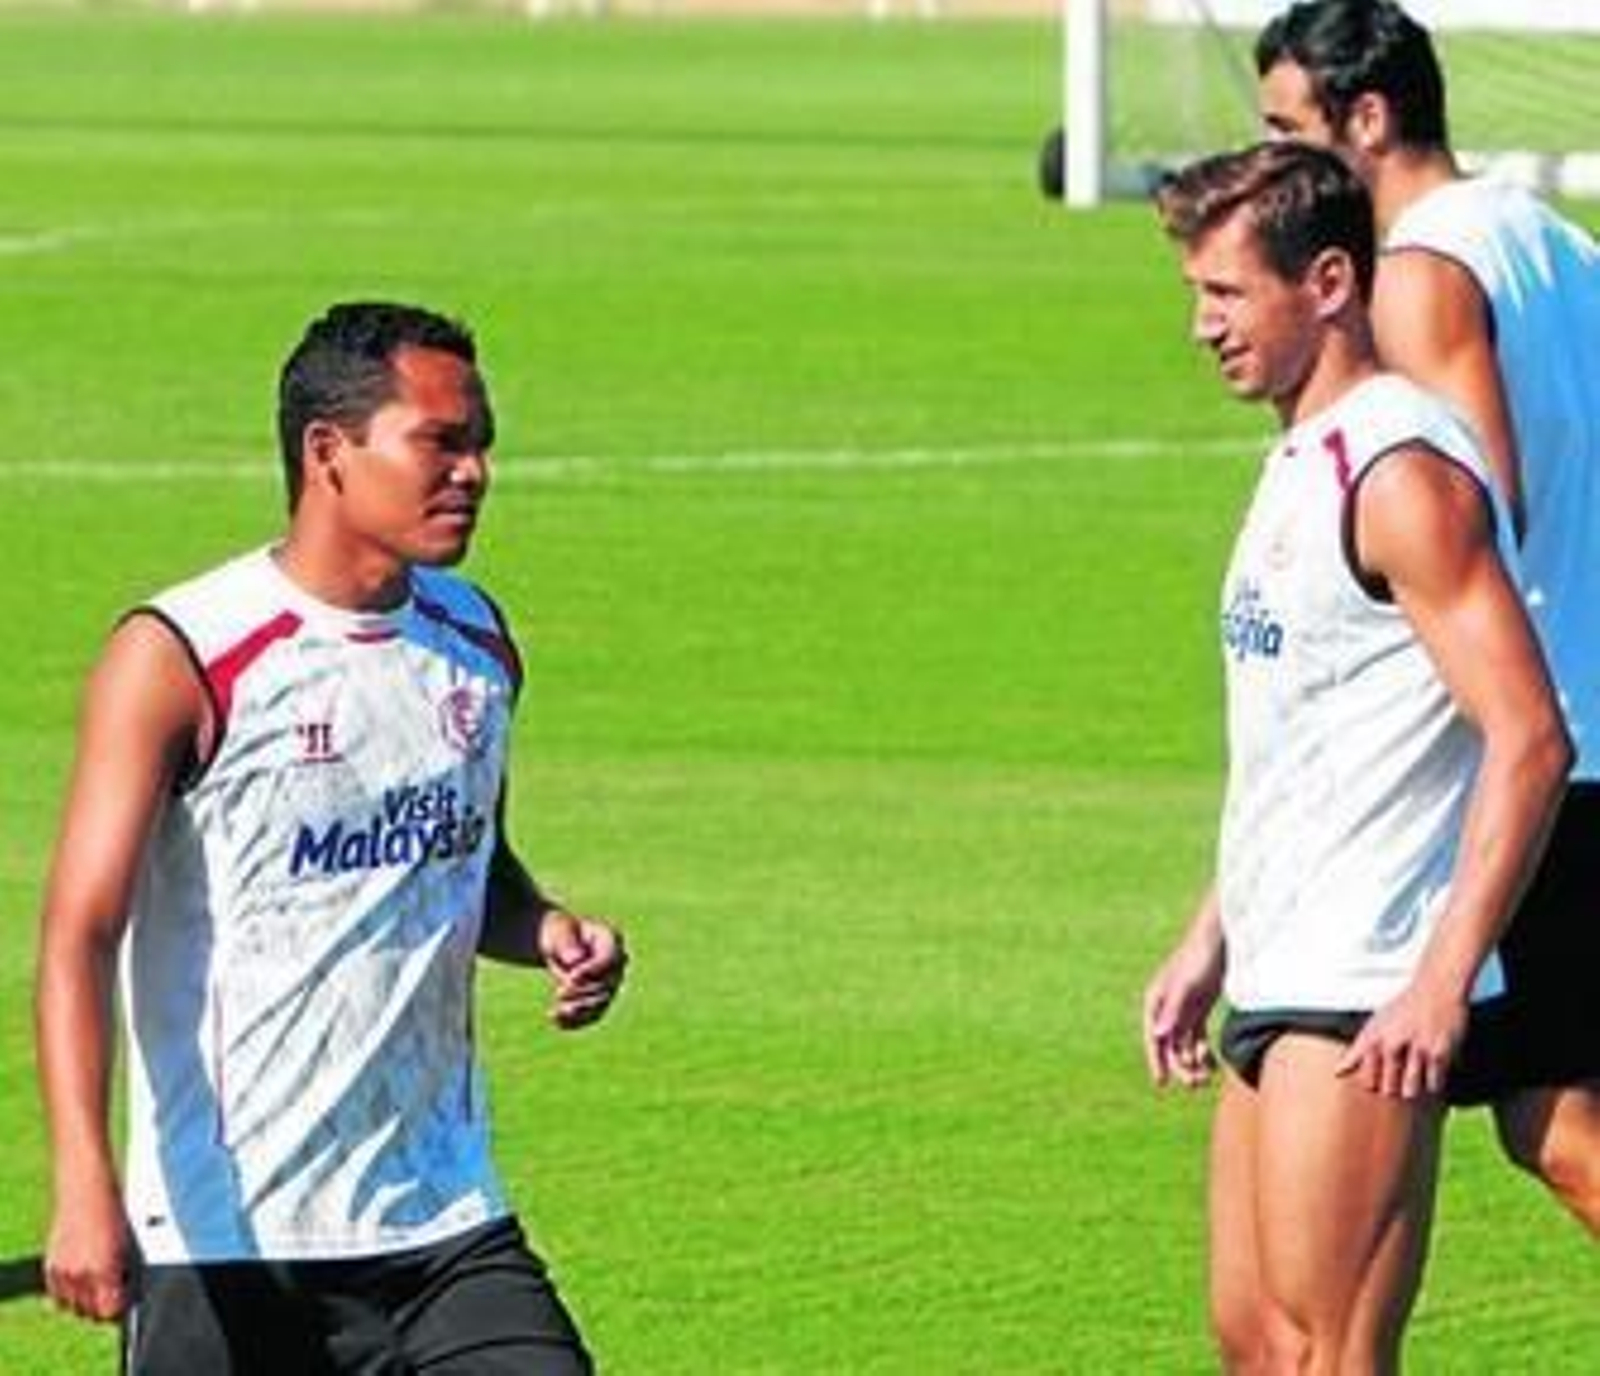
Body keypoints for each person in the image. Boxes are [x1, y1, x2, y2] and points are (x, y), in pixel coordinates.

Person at [35, 301, 629, 1374]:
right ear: (329, 452)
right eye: (441, 441)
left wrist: (543, 926)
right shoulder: (185, 656)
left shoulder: (473, 639)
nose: (475, 470)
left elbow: (461, 857)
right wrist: (85, 1181)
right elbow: (79, 932)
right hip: (228, 1236)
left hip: (443, 1219)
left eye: (483, 439)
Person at [1141, 142, 1569, 1371]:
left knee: (1330, 1351)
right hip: (1276, 958)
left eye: (1224, 294)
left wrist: (1441, 979)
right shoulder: (1295, 461)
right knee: (1256, 1341)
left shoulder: (1402, 474)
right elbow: (1304, 737)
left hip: (1365, 974)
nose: (1199, 327)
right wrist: (1205, 937)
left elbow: (1531, 736)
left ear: (1326, 281)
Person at [1252, 0, 1600, 1238]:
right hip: (1583, 713)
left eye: (1290, 132)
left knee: (1547, 1110)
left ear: (1368, 116)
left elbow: (1471, 500)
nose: (1281, 167)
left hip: (1539, 745)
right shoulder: (1551, 238)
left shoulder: (1419, 269)